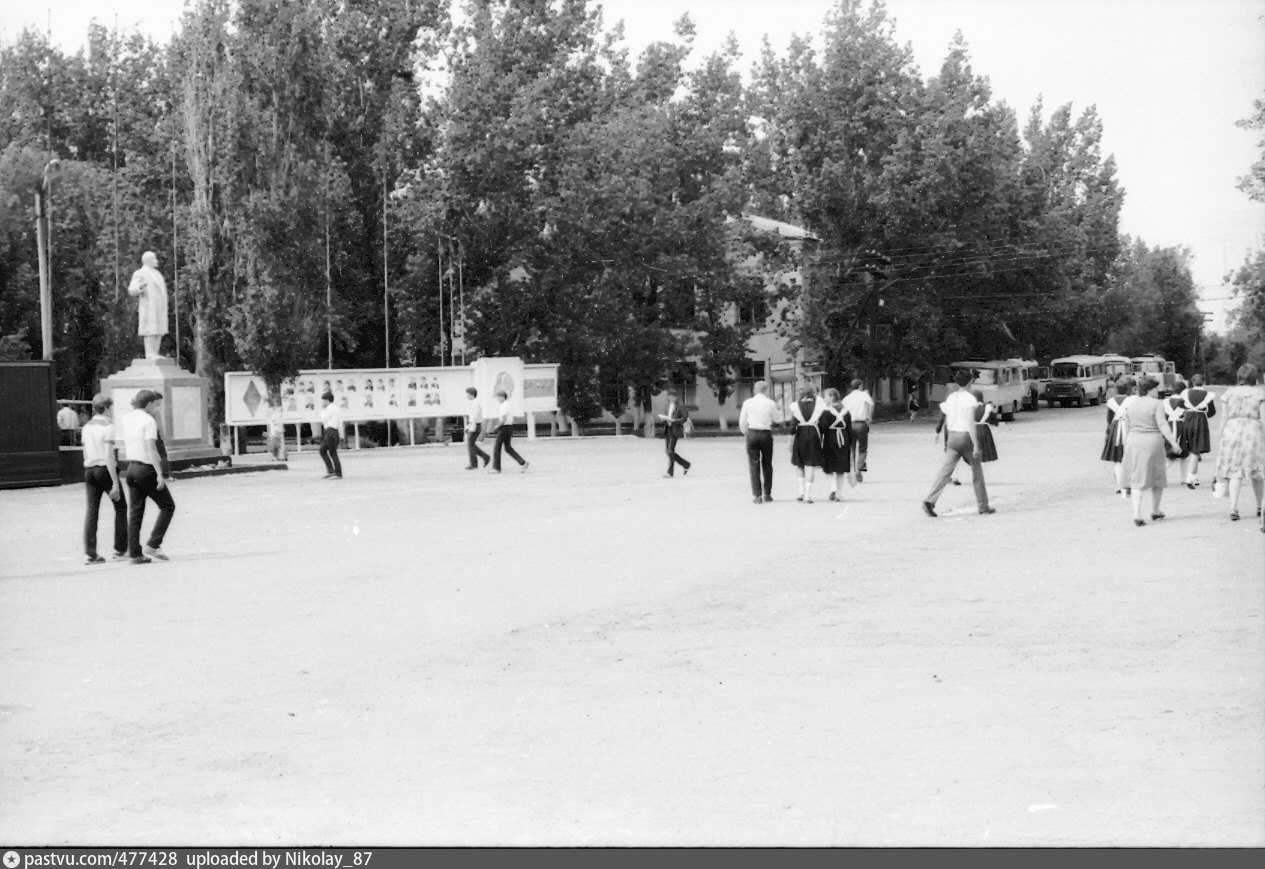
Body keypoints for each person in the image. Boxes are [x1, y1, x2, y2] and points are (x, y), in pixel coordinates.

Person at [922, 368, 992, 517]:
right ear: (970, 381)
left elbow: (947, 418)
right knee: (977, 472)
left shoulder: (951, 397)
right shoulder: (970, 399)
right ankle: (983, 506)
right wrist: (976, 444)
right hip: (966, 436)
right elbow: (970, 423)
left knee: (945, 471)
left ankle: (930, 500)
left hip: (952, 436)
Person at [1119, 376, 1183, 527]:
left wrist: (1126, 442)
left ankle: (1137, 514)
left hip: (1134, 441)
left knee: (1136, 479)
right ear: (1149, 389)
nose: (1157, 391)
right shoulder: (1157, 404)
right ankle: (1155, 510)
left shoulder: (1132, 404)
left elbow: (1126, 425)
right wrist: (1174, 442)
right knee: (1157, 477)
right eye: (1155, 388)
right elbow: (1162, 424)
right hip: (1152, 441)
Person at [120, 389, 175, 563]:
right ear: (149, 403)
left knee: (135, 512)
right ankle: (153, 543)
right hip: (146, 468)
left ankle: (135, 553)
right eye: (154, 404)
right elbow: (151, 448)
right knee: (167, 506)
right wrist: (159, 473)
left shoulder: (126, 418)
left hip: (131, 468)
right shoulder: (148, 420)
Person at [1213, 363, 1265, 524]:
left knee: (1235, 473)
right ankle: (1259, 507)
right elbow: (1263, 419)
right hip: (1253, 432)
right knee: (1257, 472)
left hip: (1232, 431)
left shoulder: (1229, 393)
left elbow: (1223, 419)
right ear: (1254, 377)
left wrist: (1222, 438)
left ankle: (1233, 509)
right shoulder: (1259, 394)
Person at [81, 393, 127, 565]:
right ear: (107, 408)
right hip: (104, 468)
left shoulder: (87, 427)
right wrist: (115, 481)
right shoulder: (108, 426)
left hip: (89, 469)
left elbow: (85, 451)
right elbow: (109, 455)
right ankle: (120, 549)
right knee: (121, 506)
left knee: (92, 510)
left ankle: (90, 553)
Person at [738, 380, 781, 504]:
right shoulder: (770, 403)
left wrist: (745, 432)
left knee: (753, 464)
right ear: (766, 390)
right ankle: (768, 493)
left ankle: (757, 495)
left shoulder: (747, 403)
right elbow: (778, 419)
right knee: (767, 463)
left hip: (752, 433)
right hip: (766, 434)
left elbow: (742, 421)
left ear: (754, 390)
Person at [126, 251, 169, 360]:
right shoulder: (140, 273)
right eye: (154, 259)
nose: (156, 261)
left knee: (159, 329)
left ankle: (156, 352)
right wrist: (139, 288)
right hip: (149, 306)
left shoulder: (158, 274)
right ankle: (150, 353)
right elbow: (131, 289)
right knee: (150, 329)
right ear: (148, 261)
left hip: (159, 306)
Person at [1178, 374, 1216, 488]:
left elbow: (1180, 405)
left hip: (1188, 419)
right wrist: (1204, 412)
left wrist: (1187, 410)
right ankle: (1190, 477)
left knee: (1191, 449)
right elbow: (1212, 412)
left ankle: (1193, 477)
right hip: (1200, 419)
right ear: (1203, 382)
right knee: (1196, 450)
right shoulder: (1207, 395)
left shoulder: (1185, 393)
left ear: (1192, 382)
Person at [787, 385, 825, 502]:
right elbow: (823, 425)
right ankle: (808, 495)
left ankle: (801, 492)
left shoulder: (795, 406)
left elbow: (792, 426)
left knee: (799, 464)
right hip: (813, 434)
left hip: (800, 434)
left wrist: (790, 440)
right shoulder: (818, 406)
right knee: (811, 465)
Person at [1101, 377, 1136, 497]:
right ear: (1129, 389)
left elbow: (1109, 420)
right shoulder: (1133, 400)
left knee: (1117, 459)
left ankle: (1119, 486)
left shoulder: (1111, 401)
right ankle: (1128, 484)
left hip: (1115, 429)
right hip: (1129, 428)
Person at [817, 387, 852, 501]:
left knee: (828, 466)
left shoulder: (826, 412)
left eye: (825, 396)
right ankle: (839, 494)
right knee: (840, 468)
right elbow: (849, 429)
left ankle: (833, 489)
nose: (824, 398)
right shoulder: (846, 411)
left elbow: (822, 428)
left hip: (831, 439)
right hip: (844, 439)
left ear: (831, 397)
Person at [841, 379, 875, 481]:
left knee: (851, 448)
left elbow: (843, 411)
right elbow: (871, 404)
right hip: (861, 424)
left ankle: (854, 469)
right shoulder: (863, 395)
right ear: (860, 386)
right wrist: (869, 417)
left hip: (850, 424)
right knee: (862, 448)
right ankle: (859, 469)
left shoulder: (847, 398)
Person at [490, 390, 529, 472]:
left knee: (497, 447)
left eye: (498, 397)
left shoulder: (503, 406)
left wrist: (497, 427)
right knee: (508, 447)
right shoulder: (508, 405)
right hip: (510, 427)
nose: (498, 399)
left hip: (504, 427)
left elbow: (503, 419)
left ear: (502, 397)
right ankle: (522, 462)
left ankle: (496, 468)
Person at [657, 388, 691, 478]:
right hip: (668, 429)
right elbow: (667, 416)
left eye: (673, 396)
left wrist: (674, 421)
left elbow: (684, 418)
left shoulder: (681, 406)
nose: (671, 398)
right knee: (668, 451)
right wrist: (664, 419)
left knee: (670, 450)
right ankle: (686, 464)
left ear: (676, 397)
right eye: (669, 396)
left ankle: (670, 472)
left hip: (676, 430)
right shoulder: (667, 406)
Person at [463, 387, 491, 469]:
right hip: (475, 425)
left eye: (467, 394)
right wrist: (468, 426)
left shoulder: (475, 404)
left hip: (475, 426)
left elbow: (474, 417)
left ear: (471, 394)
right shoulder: (473, 403)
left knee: (470, 445)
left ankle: (474, 463)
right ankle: (484, 457)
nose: (466, 396)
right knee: (471, 445)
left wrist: (471, 428)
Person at [970, 389, 999, 464]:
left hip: (973, 430)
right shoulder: (987, 407)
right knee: (985, 454)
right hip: (984, 430)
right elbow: (994, 421)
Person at [318, 391, 343, 479]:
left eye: (324, 400)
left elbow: (324, 419)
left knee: (332, 452)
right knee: (322, 450)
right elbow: (340, 422)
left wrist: (323, 410)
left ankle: (338, 473)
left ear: (327, 400)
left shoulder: (329, 409)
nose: (323, 402)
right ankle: (331, 471)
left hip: (330, 431)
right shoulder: (337, 408)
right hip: (334, 431)